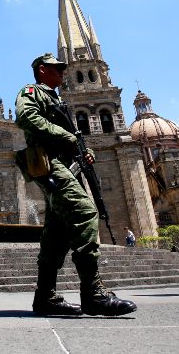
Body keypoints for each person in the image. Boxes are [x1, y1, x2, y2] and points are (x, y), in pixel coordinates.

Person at [14, 52, 137, 317]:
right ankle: (93, 295)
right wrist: (65, 136)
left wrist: (83, 151)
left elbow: (70, 136)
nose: (62, 73)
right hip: (49, 162)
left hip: (62, 163)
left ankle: (45, 297)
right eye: (58, 69)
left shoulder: (56, 98)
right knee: (84, 211)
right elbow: (26, 117)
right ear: (43, 70)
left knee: (55, 235)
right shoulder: (32, 91)